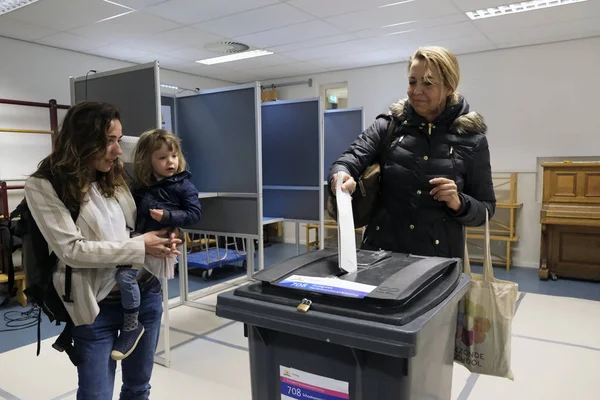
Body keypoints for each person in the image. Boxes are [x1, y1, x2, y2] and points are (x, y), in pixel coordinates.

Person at [24, 101, 182, 400]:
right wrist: (140, 245)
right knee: (95, 395)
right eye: (108, 141)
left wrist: (166, 237)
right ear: (82, 140)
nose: (118, 150)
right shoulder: (45, 184)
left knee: (138, 387)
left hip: (144, 295)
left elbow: (132, 227)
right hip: (95, 307)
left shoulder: (116, 174)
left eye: (118, 140)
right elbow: (72, 250)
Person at [329, 46, 496, 259]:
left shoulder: (472, 140)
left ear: (449, 86)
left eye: (428, 83)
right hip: (381, 254)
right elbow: (349, 159)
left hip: (437, 263)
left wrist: (459, 202)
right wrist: (340, 175)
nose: (416, 91)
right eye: (412, 82)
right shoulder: (388, 126)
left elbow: (486, 209)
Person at [110, 128, 202, 361]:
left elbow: (194, 214)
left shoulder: (183, 185)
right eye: (162, 158)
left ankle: (131, 325)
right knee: (124, 276)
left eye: (173, 156)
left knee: (125, 277)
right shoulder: (146, 185)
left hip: (157, 244)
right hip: (141, 240)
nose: (170, 162)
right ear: (149, 161)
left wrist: (169, 218)